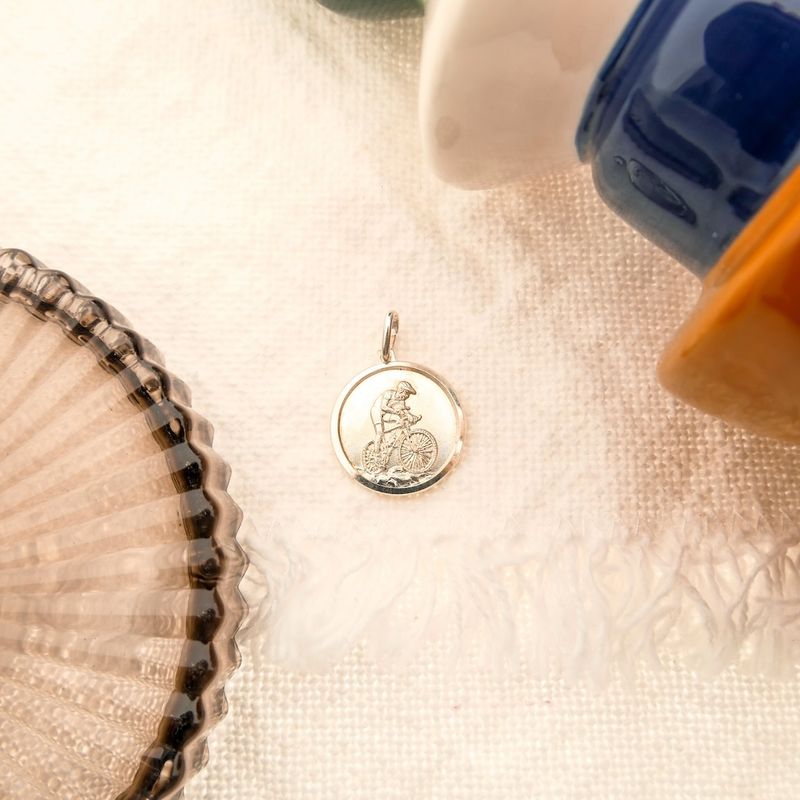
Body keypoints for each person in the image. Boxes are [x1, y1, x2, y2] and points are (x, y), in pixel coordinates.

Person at [370, 381, 420, 457]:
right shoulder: (389, 393)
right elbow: (383, 406)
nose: (406, 396)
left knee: (401, 420)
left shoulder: (401, 400)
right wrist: (395, 411)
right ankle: (376, 454)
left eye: (408, 394)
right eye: (406, 393)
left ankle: (392, 440)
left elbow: (404, 411)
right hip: (377, 411)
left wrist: (412, 417)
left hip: (386, 413)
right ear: (401, 390)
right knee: (380, 432)